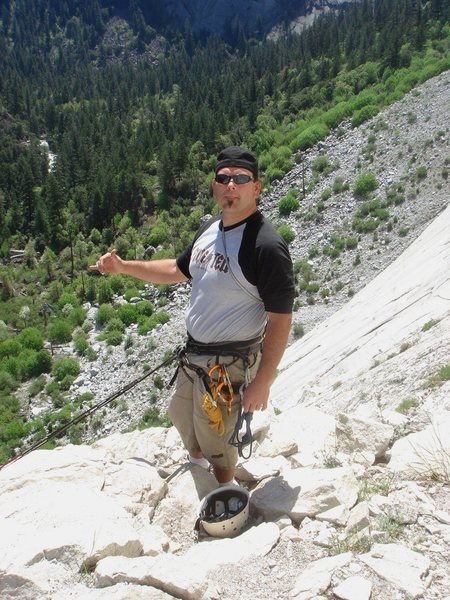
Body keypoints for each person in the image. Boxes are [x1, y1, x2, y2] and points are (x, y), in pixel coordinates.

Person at [92, 146, 295, 486]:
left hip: (230, 361)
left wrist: (263, 382)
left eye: (241, 179)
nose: (231, 185)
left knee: (217, 434)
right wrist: (124, 267)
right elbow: (176, 268)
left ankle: (225, 491)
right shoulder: (210, 229)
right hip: (195, 353)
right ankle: (199, 471)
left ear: (256, 188)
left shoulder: (265, 246)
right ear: (215, 186)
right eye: (223, 178)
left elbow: (281, 319)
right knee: (183, 415)